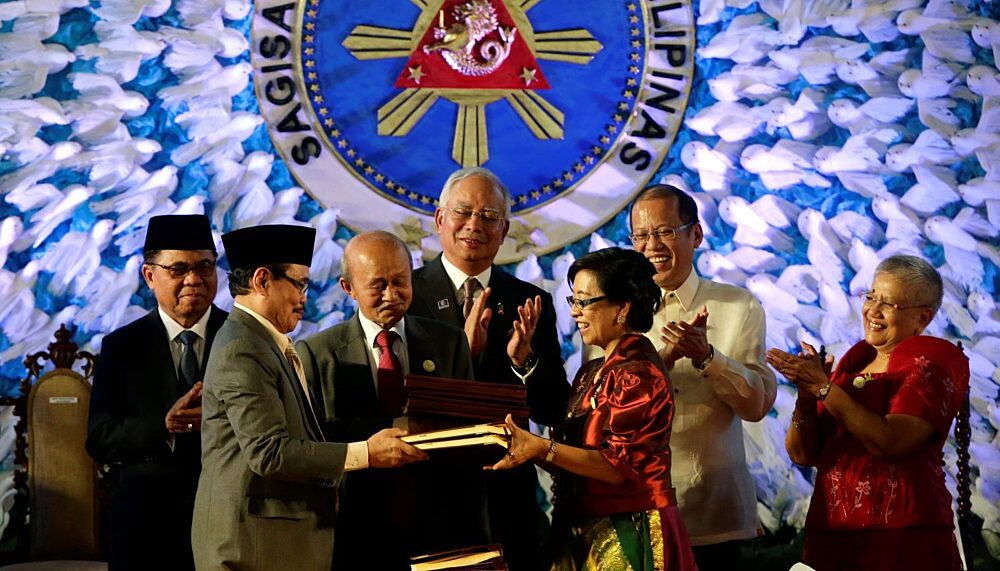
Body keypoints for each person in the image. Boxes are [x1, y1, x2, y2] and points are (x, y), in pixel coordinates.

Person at [191, 224, 426, 571]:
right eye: (299, 284)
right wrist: (367, 453)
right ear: (261, 281)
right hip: (252, 551)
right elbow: (268, 453)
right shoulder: (242, 348)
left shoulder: (263, 342)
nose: (305, 298)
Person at [492, 247, 697, 571]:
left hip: (629, 533)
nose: (575, 312)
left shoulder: (638, 374)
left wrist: (540, 448)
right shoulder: (592, 370)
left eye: (584, 302)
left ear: (621, 308)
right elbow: (572, 457)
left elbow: (616, 466)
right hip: (584, 529)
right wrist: (524, 447)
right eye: (573, 301)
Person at [408, 167, 570, 570]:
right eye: (463, 211)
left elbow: (553, 410)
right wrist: (461, 353)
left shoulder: (528, 302)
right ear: (440, 219)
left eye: (489, 217)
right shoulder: (406, 295)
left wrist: (524, 361)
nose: (474, 225)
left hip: (506, 499)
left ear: (505, 229)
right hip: (426, 494)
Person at [296, 231, 487, 570]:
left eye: (400, 281)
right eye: (377, 285)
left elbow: (468, 441)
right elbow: (313, 449)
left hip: (438, 529)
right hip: (354, 532)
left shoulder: (449, 343)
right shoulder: (317, 354)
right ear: (347, 288)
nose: (391, 295)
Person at [767, 255, 968, 571]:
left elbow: (889, 441)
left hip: (902, 541)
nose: (873, 311)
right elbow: (802, 453)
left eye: (890, 305)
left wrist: (824, 389)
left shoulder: (934, 362)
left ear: (923, 317)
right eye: (871, 296)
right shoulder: (855, 360)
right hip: (832, 536)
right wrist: (806, 398)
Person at [628, 184, 777, 570]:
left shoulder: (736, 304)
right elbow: (602, 404)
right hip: (635, 511)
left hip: (713, 515)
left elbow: (756, 405)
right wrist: (661, 361)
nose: (652, 246)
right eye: (641, 236)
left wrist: (708, 358)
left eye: (664, 232)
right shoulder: (617, 310)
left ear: (695, 234)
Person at [86, 214, 226, 571]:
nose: (194, 279)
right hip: (146, 531)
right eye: (178, 269)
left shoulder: (242, 338)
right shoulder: (122, 347)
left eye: (204, 266)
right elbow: (101, 440)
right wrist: (165, 426)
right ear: (150, 276)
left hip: (227, 523)